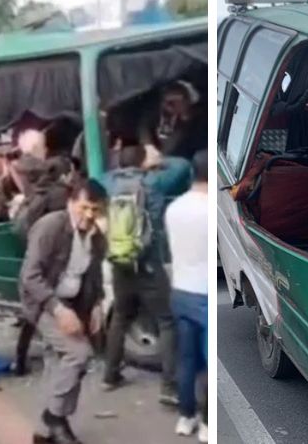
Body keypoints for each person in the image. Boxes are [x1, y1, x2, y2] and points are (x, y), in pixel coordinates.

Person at [101, 145, 192, 405]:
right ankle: (168, 386)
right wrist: (159, 158)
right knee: (166, 320)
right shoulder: (152, 183)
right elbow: (182, 166)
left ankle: (109, 376)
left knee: (120, 316)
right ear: (143, 162)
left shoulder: (109, 183)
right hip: (148, 264)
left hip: (120, 262)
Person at [19, 179, 108, 444]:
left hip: (74, 301)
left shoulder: (96, 237)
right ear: (71, 203)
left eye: (95, 210)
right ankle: (54, 418)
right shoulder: (51, 227)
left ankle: (47, 431)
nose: (89, 215)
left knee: (60, 366)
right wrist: (58, 310)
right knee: (78, 354)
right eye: (84, 208)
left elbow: (95, 278)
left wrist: (97, 305)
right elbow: (30, 276)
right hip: (43, 301)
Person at [167, 150, 208, 441]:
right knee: (205, 365)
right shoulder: (209, 209)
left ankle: (185, 417)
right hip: (204, 296)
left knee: (186, 360)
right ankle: (207, 424)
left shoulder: (174, 208)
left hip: (180, 293)